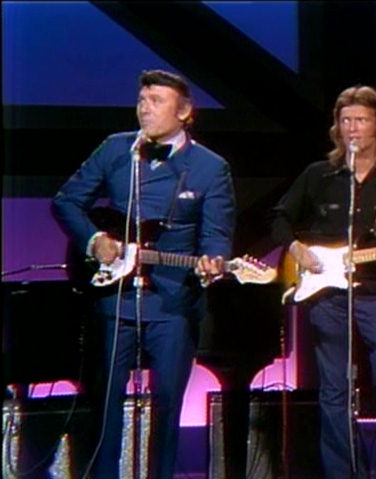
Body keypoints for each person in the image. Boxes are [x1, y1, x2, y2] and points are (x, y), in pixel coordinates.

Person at [52, 70, 236, 479]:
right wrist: (94, 239)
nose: (144, 107)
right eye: (142, 99)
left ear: (185, 111)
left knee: (167, 406)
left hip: (172, 304)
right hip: (113, 299)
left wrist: (212, 263)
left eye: (156, 100)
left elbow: (217, 236)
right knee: (103, 405)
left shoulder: (210, 168)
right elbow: (66, 202)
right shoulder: (116, 149)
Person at [271, 85, 376, 479]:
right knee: (334, 389)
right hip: (326, 295)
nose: (352, 128)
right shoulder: (320, 175)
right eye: (345, 121)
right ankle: (344, 471)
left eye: (361, 120)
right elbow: (278, 217)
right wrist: (296, 248)